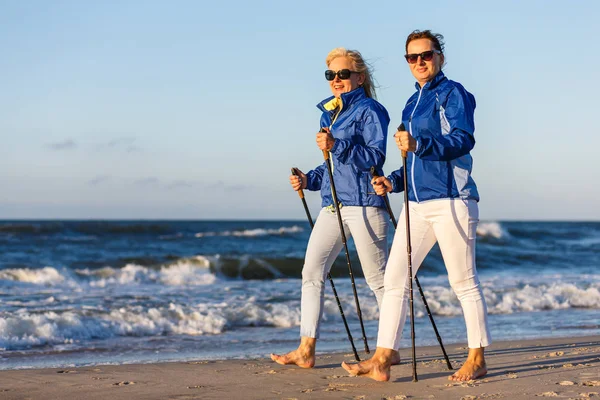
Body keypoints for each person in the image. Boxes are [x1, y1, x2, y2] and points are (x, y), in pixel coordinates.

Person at [341, 30, 492, 382]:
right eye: (412, 57)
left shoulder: (454, 93)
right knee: (395, 279)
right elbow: (412, 159)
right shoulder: (411, 104)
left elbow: (462, 139)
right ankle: (383, 355)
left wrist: (419, 142)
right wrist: (393, 180)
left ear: (440, 57)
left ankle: (477, 357)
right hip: (416, 203)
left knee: (463, 281)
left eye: (426, 55)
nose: (420, 62)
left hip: (452, 199)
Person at [270, 47, 399, 368]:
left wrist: (336, 145)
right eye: (331, 75)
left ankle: (389, 351)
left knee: (379, 282)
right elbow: (332, 166)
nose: (336, 80)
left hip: (365, 204)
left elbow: (373, 158)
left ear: (359, 77)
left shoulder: (371, 110)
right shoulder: (330, 113)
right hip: (333, 206)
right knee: (312, 273)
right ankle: (306, 349)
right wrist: (308, 179)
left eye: (343, 74)